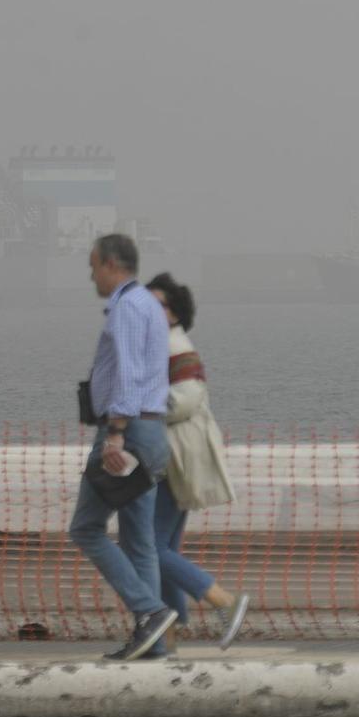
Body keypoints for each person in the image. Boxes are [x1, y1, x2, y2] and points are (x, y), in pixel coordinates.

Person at [70, 233, 177, 661]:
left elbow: (129, 374)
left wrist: (114, 432)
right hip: (150, 428)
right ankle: (153, 645)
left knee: (86, 528)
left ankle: (150, 612)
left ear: (112, 264)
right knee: (139, 542)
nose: (91, 274)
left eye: (93, 265)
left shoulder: (127, 307)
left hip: (128, 430)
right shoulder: (148, 304)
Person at [145, 273, 251, 648]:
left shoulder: (177, 349)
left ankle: (222, 599)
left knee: (146, 546)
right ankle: (169, 633)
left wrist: (137, 409)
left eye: (156, 305)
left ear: (173, 314)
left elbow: (184, 400)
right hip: (168, 457)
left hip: (173, 460)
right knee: (163, 549)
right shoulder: (161, 346)